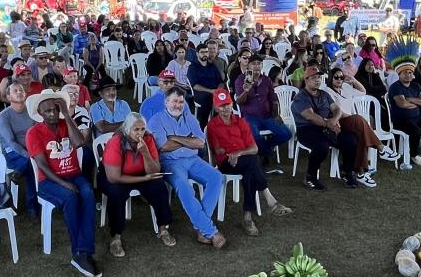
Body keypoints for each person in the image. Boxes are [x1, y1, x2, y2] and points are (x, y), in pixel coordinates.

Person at [26, 90, 100, 277]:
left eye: (54, 109)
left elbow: (80, 143)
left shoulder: (65, 123)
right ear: (40, 114)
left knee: (88, 194)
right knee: (71, 197)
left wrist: (66, 115)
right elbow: (42, 165)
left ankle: (82, 252)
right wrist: (63, 184)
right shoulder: (34, 133)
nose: (52, 113)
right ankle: (81, 253)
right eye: (47, 111)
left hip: (74, 175)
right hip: (49, 181)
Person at [148, 86, 225, 248]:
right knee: (184, 187)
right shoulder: (156, 120)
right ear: (166, 102)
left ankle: (200, 226)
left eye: (181, 102)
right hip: (171, 162)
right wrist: (187, 140)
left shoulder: (189, 118)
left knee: (216, 176)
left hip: (193, 159)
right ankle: (209, 231)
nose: (178, 105)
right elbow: (164, 146)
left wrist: (175, 137)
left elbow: (200, 142)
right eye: (175, 101)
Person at [206, 89, 292, 233]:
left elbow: (254, 148)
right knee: (252, 162)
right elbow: (218, 151)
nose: (225, 108)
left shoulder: (240, 122)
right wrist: (232, 154)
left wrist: (238, 153)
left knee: (249, 170)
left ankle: (248, 217)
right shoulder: (213, 126)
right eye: (221, 105)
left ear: (232, 103)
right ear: (215, 107)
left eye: (227, 104)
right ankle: (270, 200)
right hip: (226, 163)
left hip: (242, 160)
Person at [101, 112, 177, 254]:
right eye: (136, 130)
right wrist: (144, 179)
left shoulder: (148, 139)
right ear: (127, 129)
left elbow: (155, 170)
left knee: (159, 187)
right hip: (117, 176)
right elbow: (113, 177)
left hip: (141, 173)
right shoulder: (116, 141)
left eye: (142, 129)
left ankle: (163, 229)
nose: (140, 133)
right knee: (116, 193)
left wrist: (146, 153)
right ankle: (115, 237)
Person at [290, 67, 363, 190]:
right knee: (322, 146)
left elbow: (337, 109)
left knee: (350, 140)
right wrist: (328, 124)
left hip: (328, 127)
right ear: (306, 80)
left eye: (319, 77)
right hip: (307, 129)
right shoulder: (300, 97)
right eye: (313, 78)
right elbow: (310, 116)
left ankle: (347, 172)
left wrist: (334, 120)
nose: (317, 80)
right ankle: (310, 177)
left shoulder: (324, 94)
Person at [230, 51, 292, 163]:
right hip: (250, 116)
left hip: (267, 116)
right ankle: (265, 153)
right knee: (254, 136)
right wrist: (246, 91)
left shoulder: (266, 80)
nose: (257, 66)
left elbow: (273, 99)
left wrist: (276, 115)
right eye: (254, 63)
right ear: (248, 65)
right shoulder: (241, 79)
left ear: (262, 66)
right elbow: (239, 102)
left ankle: (264, 149)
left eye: (259, 63)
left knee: (286, 134)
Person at [0, 83, 38, 212]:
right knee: (31, 164)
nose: (19, 92)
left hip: (31, 149)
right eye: (15, 91)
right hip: (12, 153)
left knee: (33, 163)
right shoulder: (3, 117)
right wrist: (28, 155)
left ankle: (19, 171)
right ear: (8, 97)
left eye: (22, 90)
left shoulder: (31, 112)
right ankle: (32, 206)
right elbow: (11, 142)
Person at [186, 43, 225, 127]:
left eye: (206, 52)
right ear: (197, 53)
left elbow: (221, 82)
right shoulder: (192, 67)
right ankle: (203, 126)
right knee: (208, 97)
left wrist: (218, 90)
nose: (205, 54)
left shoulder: (212, 66)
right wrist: (211, 91)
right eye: (202, 52)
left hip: (215, 91)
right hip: (201, 93)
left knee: (225, 96)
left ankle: (219, 125)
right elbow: (195, 85)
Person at [88, 77, 131, 145]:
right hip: (105, 144)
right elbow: (102, 128)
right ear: (100, 93)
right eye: (108, 90)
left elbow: (131, 125)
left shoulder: (123, 104)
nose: (112, 92)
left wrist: (108, 125)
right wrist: (124, 123)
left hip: (124, 142)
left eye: (114, 89)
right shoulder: (95, 107)